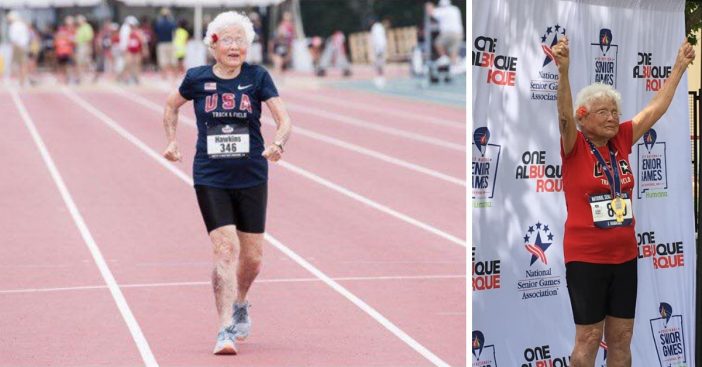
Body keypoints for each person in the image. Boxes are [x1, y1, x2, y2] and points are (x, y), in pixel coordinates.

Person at [552, 36, 694, 367]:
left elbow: (655, 108)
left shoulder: (622, 140)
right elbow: (562, 117)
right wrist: (563, 72)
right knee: (588, 339)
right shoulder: (575, 145)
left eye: (615, 111)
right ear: (583, 117)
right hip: (587, 258)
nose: (613, 117)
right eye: (603, 111)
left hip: (625, 257)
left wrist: (677, 69)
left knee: (621, 339)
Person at [161, 10, 292, 355]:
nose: (235, 46)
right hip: (211, 175)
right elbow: (171, 106)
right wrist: (172, 140)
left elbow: (285, 119)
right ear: (213, 43)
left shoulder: (258, 77)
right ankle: (224, 331)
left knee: (253, 260)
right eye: (228, 40)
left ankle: (241, 302)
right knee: (224, 249)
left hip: (251, 175)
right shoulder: (197, 78)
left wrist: (278, 143)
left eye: (241, 40)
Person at [432, 0, 463, 70]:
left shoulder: (441, 11)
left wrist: (428, 6)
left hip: (447, 33)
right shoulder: (455, 9)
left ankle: (444, 58)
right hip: (458, 34)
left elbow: (432, 12)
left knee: (438, 43)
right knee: (453, 52)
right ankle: (454, 68)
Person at [7, 11, 30, 86]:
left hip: (18, 46)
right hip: (24, 46)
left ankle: (20, 81)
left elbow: (13, 39)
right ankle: (22, 81)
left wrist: (14, 49)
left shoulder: (14, 26)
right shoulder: (22, 25)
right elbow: (27, 36)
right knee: (23, 64)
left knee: (16, 64)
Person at [154, 8, 177, 80]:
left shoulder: (158, 23)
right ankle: (174, 76)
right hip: (170, 43)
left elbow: (156, 33)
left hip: (161, 43)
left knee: (162, 61)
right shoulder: (171, 23)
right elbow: (175, 33)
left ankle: (164, 76)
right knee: (172, 60)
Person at [370, 18, 390, 89]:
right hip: (380, 47)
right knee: (379, 63)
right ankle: (380, 77)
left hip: (379, 48)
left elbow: (377, 39)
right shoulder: (379, 27)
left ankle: (380, 78)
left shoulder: (376, 28)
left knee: (379, 63)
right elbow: (379, 39)